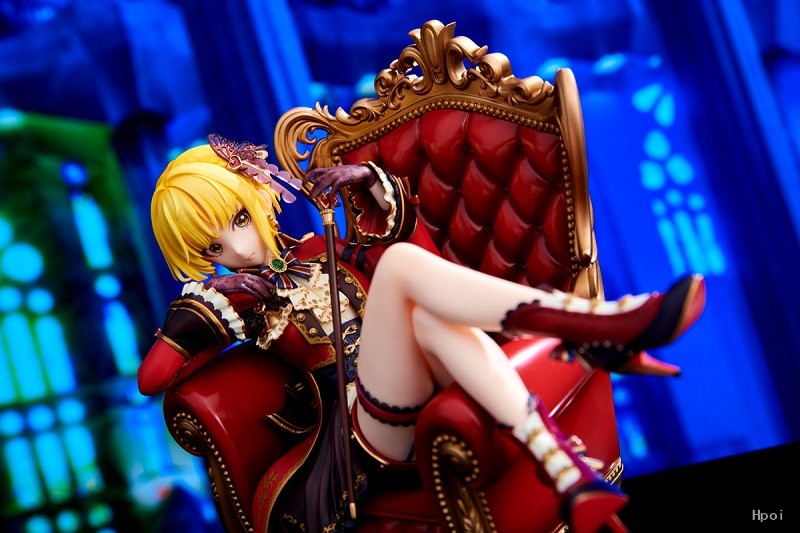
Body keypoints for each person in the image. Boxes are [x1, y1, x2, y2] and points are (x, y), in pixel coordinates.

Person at [138, 134, 706, 533]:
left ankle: (568, 475)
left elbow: (422, 265)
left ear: (257, 196)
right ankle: (596, 322)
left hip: (411, 387)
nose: (239, 248)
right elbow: (153, 377)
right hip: (359, 434)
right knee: (402, 269)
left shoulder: (319, 248)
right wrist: (209, 301)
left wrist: (370, 183)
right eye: (213, 246)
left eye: (238, 219)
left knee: (428, 309)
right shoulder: (238, 301)